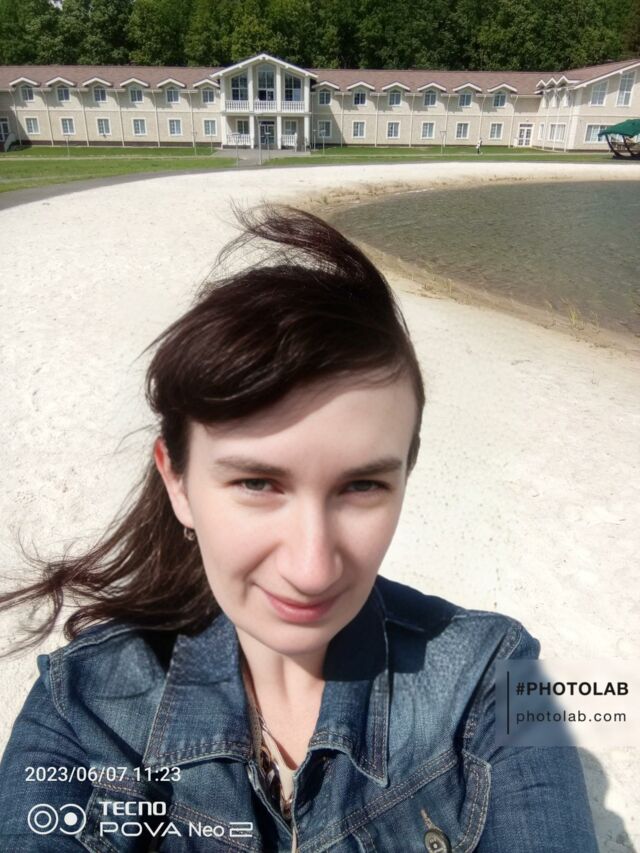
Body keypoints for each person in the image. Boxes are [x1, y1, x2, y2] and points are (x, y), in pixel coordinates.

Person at [0, 205, 597, 851]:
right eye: (258, 483)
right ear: (177, 482)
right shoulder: (82, 709)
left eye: (362, 486)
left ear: (406, 473)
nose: (312, 570)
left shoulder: (493, 674)